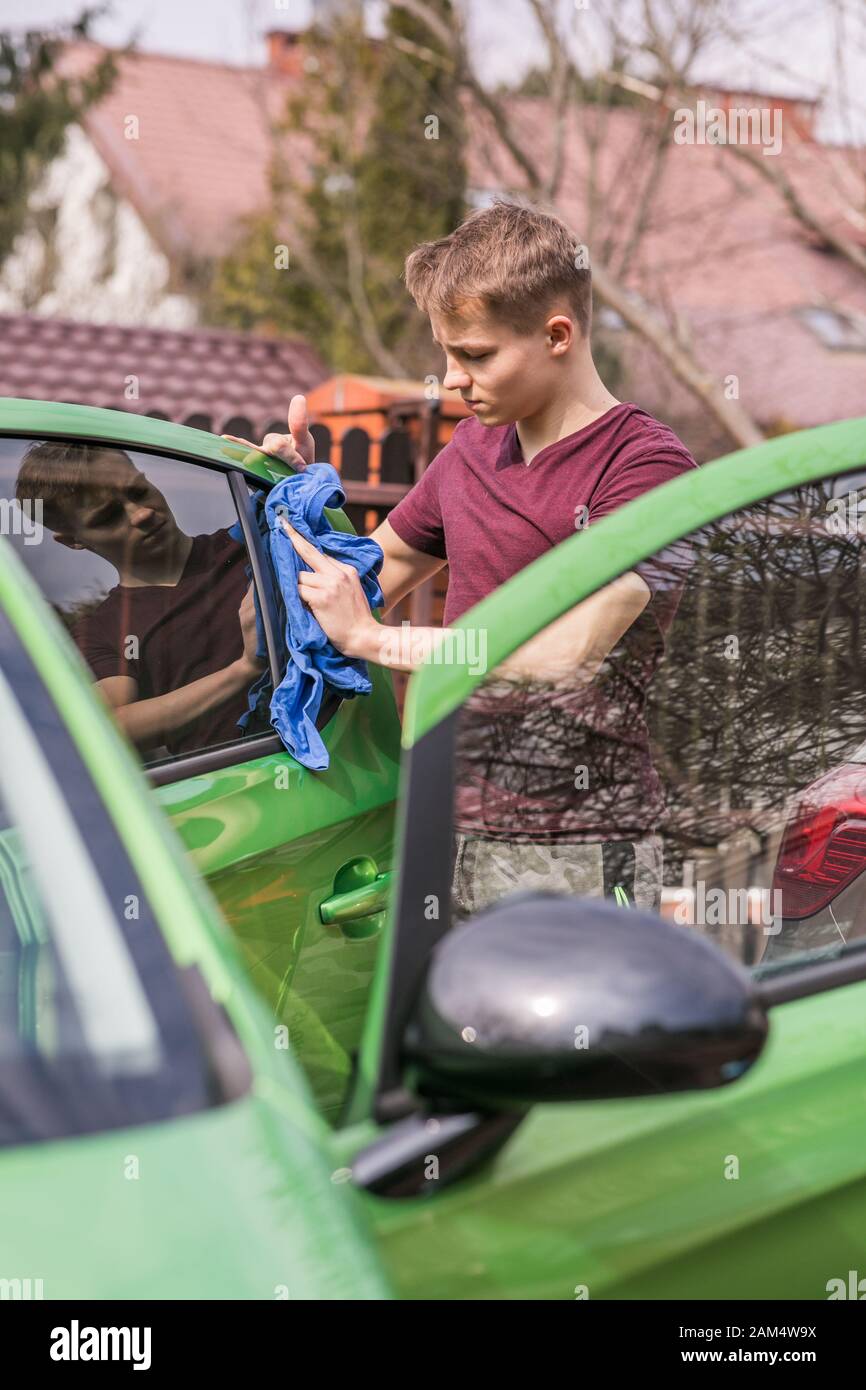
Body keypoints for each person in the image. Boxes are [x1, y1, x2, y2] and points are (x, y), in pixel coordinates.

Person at [225, 199, 698, 913]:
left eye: (474, 355)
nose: (449, 379)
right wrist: (297, 498)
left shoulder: (645, 468)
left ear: (558, 335)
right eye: (447, 354)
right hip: (444, 817)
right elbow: (359, 571)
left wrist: (377, 641)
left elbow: (568, 654)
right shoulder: (472, 452)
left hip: (574, 842)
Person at [15, 442, 265, 758]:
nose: (143, 514)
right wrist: (243, 670)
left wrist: (292, 469)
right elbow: (112, 727)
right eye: (108, 516)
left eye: (138, 491)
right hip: (234, 792)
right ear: (74, 541)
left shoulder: (253, 545)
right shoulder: (101, 631)